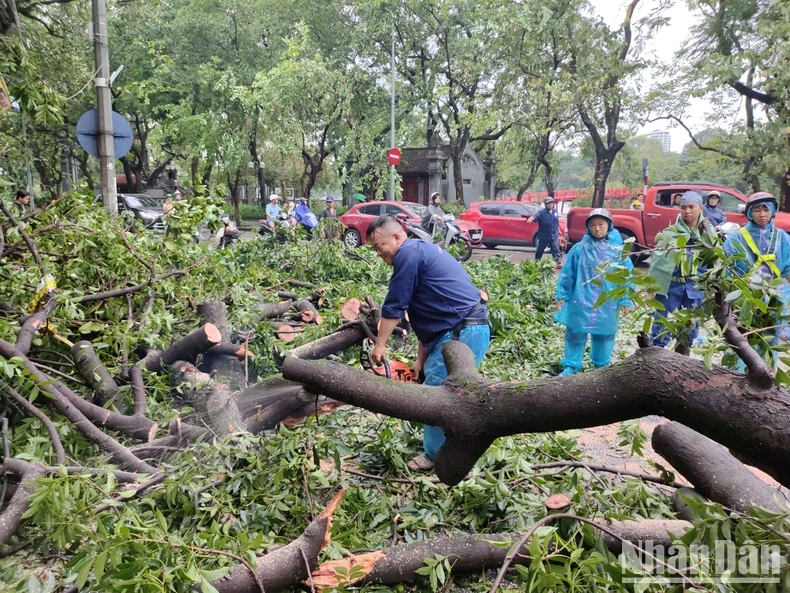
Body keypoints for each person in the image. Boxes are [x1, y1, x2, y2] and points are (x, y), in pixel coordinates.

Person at [367, 215, 489, 471]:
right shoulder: (419, 253)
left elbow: (395, 304)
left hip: (462, 332)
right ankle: (452, 445)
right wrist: (420, 360)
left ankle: (438, 458)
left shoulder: (407, 253)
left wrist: (379, 346)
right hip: (463, 329)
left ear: (397, 237)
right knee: (447, 390)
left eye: (379, 246)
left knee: (439, 396)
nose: (378, 254)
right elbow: (427, 318)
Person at [555, 209, 633, 375]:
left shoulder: (619, 251)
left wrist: (626, 300)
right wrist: (562, 295)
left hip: (607, 302)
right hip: (580, 301)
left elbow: (627, 276)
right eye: (593, 225)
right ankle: (571, 365)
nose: (597, 229)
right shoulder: (579, 249)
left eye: (601, 224)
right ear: (588, 228)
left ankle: (601, 366)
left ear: (609, 225)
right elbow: (568, 273)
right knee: (575, 333)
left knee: (604, 335)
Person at [723, 192, 790, 368]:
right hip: (743, 298)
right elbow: (727, 272)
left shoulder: (782, 238)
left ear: (773, 211)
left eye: (766, 210)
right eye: (757, 210)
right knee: (741, 340)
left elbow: (788, 268)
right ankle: (736, 380)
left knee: (769, 341)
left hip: (774, 298)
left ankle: (764, 382)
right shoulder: (735, 239)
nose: (762, 214)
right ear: (750, 213)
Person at [648, 191, 715, 353]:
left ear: (701, 208)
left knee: (690, 326)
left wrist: (714, 289)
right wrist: (651, 289)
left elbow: (715, 262)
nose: (687, 211)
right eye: (683, 207)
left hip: (695, 287)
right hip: (671, 286)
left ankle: (682, 361)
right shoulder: (671, 232)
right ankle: (655, 361)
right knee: (661, 324)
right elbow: (657, 262)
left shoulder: (709, 234)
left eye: (691, 207)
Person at [527, 196, 562, 268]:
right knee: (540, 249)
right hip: (544, 236)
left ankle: (557, 263)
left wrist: (559, 232)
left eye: (551, 203)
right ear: (545, 204)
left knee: (555, 248)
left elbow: (557, 223)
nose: (550, 204)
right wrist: (531, 218)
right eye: (548, 203)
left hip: (554, 235)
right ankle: (537, 262)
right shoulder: (541, 212)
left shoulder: (555, 212)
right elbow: (535, 216)